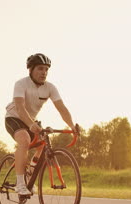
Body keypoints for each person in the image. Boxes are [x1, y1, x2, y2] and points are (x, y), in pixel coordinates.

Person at [5, 53, 78, 195]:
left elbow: (61, 108)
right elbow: (20, 107)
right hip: (14, 117)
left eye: (46, 69)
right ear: (31, 70)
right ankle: (20, 184)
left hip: (31, 119)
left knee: (42, 143)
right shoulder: (21, 84)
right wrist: (31, 124)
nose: (44, 72)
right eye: (40, 69)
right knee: (24, 140)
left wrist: (72, 126)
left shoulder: (50, 87)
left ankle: (29, 174)